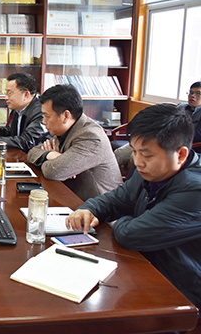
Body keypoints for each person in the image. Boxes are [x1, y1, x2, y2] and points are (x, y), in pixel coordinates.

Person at [66, 103, 201, 309]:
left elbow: (131, 235)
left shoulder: (195, 192)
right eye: (134, 152)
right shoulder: (151, 170)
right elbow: (119, 199)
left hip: (180, 290)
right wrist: (90, 208)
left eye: (147, 155)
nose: (138, 162)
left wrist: (124, 219)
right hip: (143, 268)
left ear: (181, 154)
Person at [27, 84, 122, 201]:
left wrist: (56, 162)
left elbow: (53, 172)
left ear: (66, 115)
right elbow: (32, 152)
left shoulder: (91, 137)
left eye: (47, 116)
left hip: (99, 207)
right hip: (72, 196)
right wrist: (51, 155)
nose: (43, 121)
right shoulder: (66, 129)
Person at [0, 72, 48, 152]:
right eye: (6, 93)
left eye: (10, 93)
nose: (6, 97)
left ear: (26, 95)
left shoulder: (41, 112)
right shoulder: (18, 108)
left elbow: (27, 142)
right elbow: (11, 132)